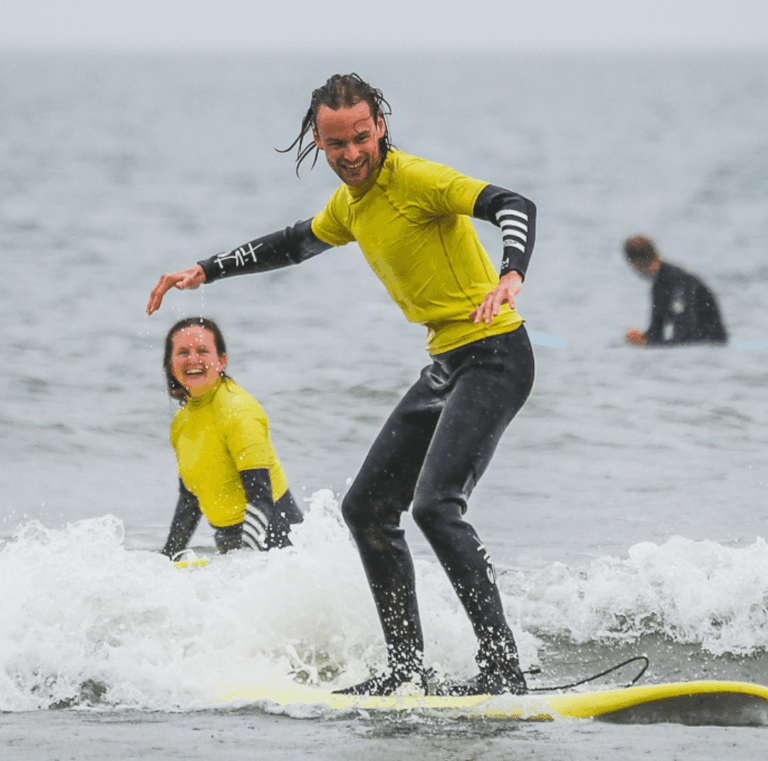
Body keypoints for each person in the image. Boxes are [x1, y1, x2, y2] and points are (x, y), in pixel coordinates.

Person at [147, 74, 537, 697]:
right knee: (368, 510)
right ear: (318, 141)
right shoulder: (351, 206)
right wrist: (206, 270)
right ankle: (407, 673)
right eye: (335, 144)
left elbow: (513, 205)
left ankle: (503, 671)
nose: (351, 154)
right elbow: (294, 243)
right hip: (446, 362)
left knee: (437, 506)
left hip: (495, 354)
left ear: (379, 126)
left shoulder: (416, 179)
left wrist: (512, 273)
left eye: (361, 137)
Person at [161, 317, 302, 559]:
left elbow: (261, 498)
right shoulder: (181, 422)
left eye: (203, 351)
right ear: (170, 364)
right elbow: (190, 500)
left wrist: (246, 562)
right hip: (230, 541)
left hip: (278, 538)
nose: (193, 359)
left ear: (221, 360)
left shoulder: (238, 410)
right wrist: (166, 560)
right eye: (183, 352)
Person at [623, 235, 728, 346]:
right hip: (693, 344)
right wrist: (641, 339)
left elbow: (685, 331)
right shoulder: (658, 286)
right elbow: (656, 333)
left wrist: (648, 343)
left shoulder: (680, 280)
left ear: (635, 264)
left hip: (709, 344)